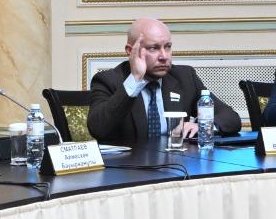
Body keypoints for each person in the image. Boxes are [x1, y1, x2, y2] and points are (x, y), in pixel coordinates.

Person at [87, 18, 242, 145]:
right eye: (153, 48)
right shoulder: (108, 81)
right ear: (130, 51)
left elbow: (230, 117)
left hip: (176, 164)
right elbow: (98, 129)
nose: (164, 56)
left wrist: (203, 126)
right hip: (130, 168)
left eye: (167, 47)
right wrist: (135, 80)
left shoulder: (184, 77)